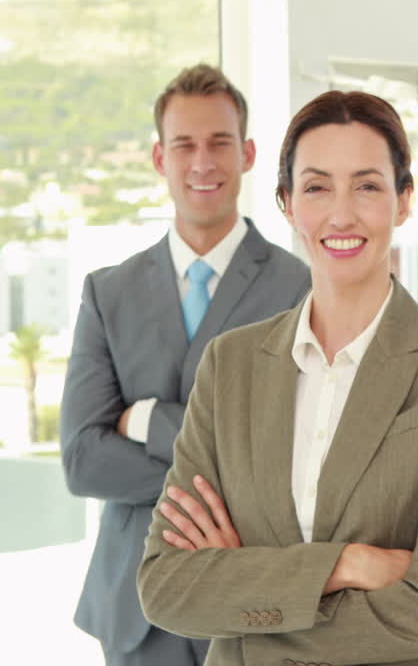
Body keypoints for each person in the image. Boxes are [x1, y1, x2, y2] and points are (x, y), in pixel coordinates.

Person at [136, 90, 418, 666]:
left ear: (403, 200)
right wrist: (345, 565)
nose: (340, 214)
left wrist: (245, 607)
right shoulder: (230, 365)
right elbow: (166, 587)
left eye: (367, 185)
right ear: (286, 204)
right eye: (315, 187)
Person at [60, 63, 311, 666]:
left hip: (251, 595)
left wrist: (146, 423)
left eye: (220, 143)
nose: (203, 163)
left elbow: (292, 449)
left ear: (248, 154)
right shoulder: (108, 292)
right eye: (185, 145)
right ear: (159, 158)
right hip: (134, 603)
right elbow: (83, 460)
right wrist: (222, 481)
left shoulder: (299, 287)